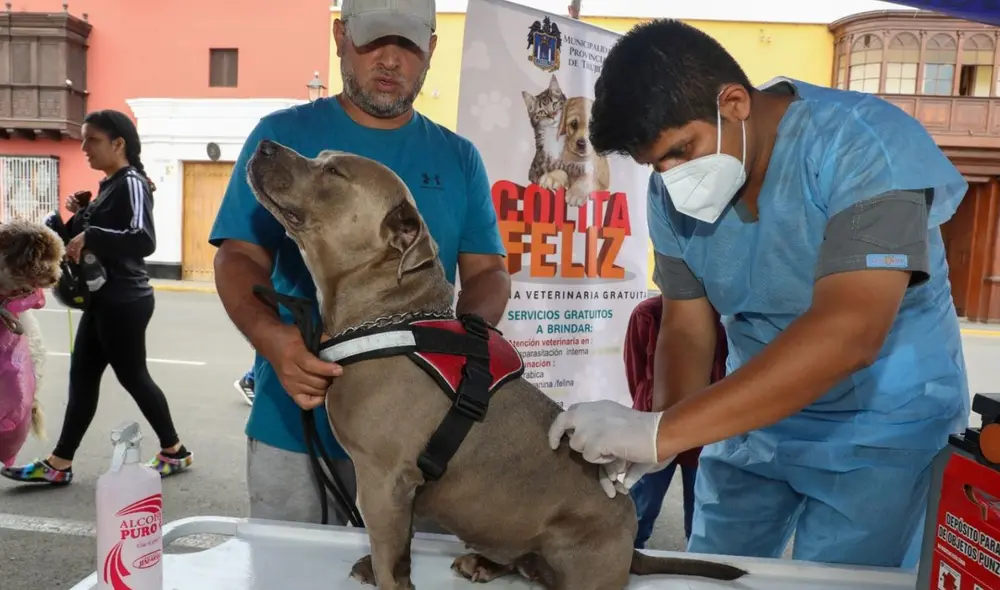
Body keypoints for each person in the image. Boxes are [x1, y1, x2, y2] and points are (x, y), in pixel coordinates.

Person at [548, 19, 970, 570]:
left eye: (680, 150)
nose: (671, 176)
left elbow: (850, 332)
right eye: (656, 164)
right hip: (753, 414)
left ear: (735, 103)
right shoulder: (670, 194)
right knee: (712, 570)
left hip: (881, 424)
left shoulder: (865, 146)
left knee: (838, 581)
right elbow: (686, 326)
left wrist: (663, 431)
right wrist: (662, 432)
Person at [209, 0, 510, 526]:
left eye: (409, 45)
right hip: (297, 426)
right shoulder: (282, 140)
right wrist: (271, 339)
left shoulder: (459, 157)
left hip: (421, 436)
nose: (390, 60)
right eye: (373, 41)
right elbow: (238, 254)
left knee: (409, 576)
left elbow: (488, 272)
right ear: (340, 36)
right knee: (293, 576)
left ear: (431, 50)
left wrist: (465, 340)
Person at [1, 109, 193, 485]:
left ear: (118, 143)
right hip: (103, 299)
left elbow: (143, 239)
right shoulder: (109, 186)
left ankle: (174, 452)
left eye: (93, 139)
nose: (84, 147)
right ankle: (60, 463)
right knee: (84, 378)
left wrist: (91, 234)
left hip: (125, 299)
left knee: (133, 376)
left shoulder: (132, 182)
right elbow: (76, 238)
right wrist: (71, 218)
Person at [624, 295, 727, 548]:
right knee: (639, 507)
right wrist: (646, 407)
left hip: (705, 429)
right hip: (657, 426)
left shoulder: (728, 317)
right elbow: (635, 367)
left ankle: (700, 568)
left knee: (703, 514)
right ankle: (626, 557)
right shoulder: (648, 312)